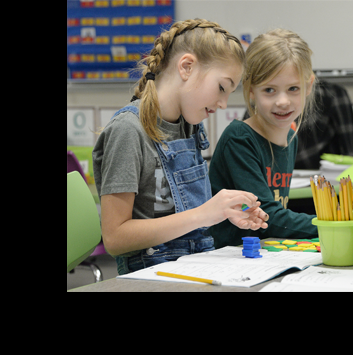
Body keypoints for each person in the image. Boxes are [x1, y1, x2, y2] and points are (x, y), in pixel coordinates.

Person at [92, 19, 269, 275]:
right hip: (150, 275)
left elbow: (189, 218)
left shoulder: (189, 126)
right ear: (186, 67)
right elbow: (115, 238)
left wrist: (225, 212)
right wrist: (205, 214)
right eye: (221, 87)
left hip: (195, 266)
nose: (223, 104)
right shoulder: (128, 131)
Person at [208, 28, 319, 248]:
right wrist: (336, 222)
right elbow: (270, 216)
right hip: (228, 256)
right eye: (269, 90)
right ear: (251, 90)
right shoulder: (240, 138)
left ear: (308, 86)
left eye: (293, 88)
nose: (283, 101)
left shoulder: (290, 137)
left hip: (266, 252)